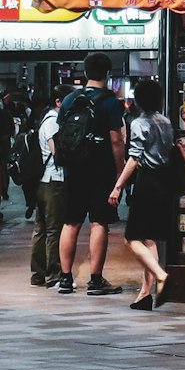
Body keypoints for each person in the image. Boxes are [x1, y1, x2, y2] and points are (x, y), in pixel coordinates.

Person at [56, 53, 127, 296]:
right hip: (101, 170)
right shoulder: (109, 102)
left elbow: (60, 135)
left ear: (85, 73)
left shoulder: (68, 100)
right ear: (107, 74)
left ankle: (65, 279)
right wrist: (120, 174)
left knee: (70, 222)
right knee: (99, 223)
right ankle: (95, 280)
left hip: (73, 170)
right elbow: (116, 141)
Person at [109, 79, 173, 310]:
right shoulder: (166, 122)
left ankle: (160, 275)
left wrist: (118, 186)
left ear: (137, 100)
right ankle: (145, 294)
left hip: (147, 182)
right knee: (149, 238)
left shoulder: (138, 123)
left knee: (131, 238)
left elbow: (135, 158)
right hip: (164, 183)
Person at [29, 87, 70, 287]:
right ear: (58, 102)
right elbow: (57, 152)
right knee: (53, 230)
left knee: (41, 229)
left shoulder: (47, 119)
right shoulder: (53, 121)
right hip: (53, 180)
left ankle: (37, 274)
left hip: (43, 181)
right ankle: (52, 274)